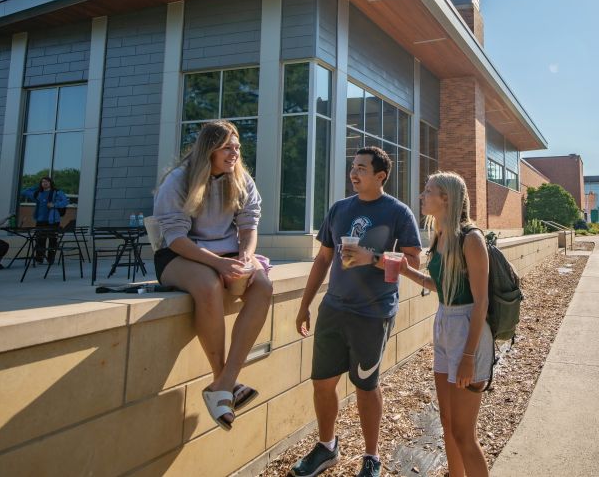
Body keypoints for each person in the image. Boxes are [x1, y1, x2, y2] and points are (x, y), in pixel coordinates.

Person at [292, 146, 422, 477]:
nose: (354, 172)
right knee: (322, 382)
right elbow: (323, 259)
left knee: (366, 385)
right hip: (334, 307)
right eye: (353, 166)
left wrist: (373, 259)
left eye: (362, 168)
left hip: (373, 312)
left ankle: (371, 456)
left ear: (381, 176)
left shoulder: (398, 213)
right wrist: (305, 304)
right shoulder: (339, 209)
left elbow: (414, 263)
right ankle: (326, 447)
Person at [153, 120, 272, 431]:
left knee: (263, 284)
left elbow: (249, 226)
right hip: (180, 254)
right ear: (210, 149)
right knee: (207, 285)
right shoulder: (178, 181)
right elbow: (175, 238)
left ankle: (224, 383)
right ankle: (223, 384)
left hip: (227, 254)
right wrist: (218, 265)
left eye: (237, 148)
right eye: (228, 147)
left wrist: (245, 256)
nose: (235, 153)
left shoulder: (241, 179)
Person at [397, 171, 493, 477]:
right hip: (444, 324)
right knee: (449, 425)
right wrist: (404, 270)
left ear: (446, 198)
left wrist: (468, 356)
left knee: (466, 435)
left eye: (428, 191)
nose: (422, 196)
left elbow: (481, 302)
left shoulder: (471, 238)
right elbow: (441, 285)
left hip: (468, 330)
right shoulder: (439, 236)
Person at [21, 177, 69, 265]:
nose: (45, 183)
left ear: (51, 183)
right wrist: (36, 186)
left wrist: (55, 205)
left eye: (47, 181)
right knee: (40, 240)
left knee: (52, 240)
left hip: (53, 220)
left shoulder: (57, 192)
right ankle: (39, 259)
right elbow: (24, 192)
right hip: (40, 220)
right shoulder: (38, 193)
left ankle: (50, 259)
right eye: (42, 182)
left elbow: (65, 201)